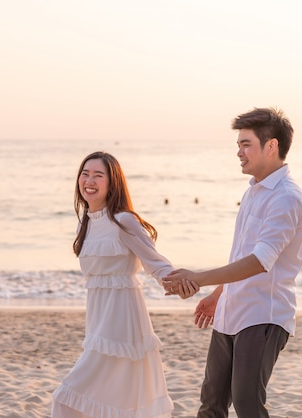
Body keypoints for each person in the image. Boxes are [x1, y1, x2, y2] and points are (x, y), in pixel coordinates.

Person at [162, 107, 302, 418]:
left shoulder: (286, 197)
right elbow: (242, 253)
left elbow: (260, 261)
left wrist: (198, 278)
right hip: (231, 311)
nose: (239, 153)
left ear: (271, 146)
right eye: (238, 145)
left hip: (263, 314)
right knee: (211, 402)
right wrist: (218, 294)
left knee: (247, 404)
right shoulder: (255, 191)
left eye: (246, 144)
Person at [52, 151, 198, 418]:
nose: (89, 180)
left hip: (122, 321)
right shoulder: (83, 226)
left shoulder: (123, 220)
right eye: (85, 174)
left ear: (113, 182)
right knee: (112, 402)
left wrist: (182, 284)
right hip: (98, 320)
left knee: (66, 397)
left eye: (98, 175)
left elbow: (156, 263)